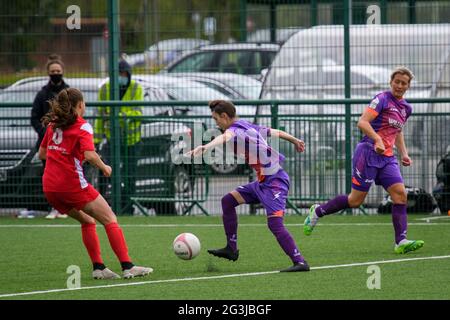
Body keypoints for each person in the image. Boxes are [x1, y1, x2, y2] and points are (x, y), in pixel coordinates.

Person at [303, 66, 425, 254]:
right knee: (355, 201)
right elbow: (362, 122)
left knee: (400, 194)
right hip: (367, 152)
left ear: (408, 86)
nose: (399, 86)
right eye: (397, 82)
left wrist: (404, 153)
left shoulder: (406, 108)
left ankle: (401, 242)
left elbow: (397, 131)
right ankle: (317, 212)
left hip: (387, 158)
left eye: (404, 83)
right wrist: (376, 139)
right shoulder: (382, 99)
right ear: (391, 82)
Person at [39, 88, 152, 279]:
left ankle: (99, 268)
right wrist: (104, 167)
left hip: (50, 187)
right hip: (72, 185)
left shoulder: (53, 125)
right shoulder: (82, 126)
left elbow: (43, 154)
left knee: (88, 220)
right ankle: (128, 266)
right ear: (80, 105)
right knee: (109, 218)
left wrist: (68, 157)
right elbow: (90, 155)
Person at [187, 100, 310, 272]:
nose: (216, 123)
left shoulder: (234, 130)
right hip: (261, 184)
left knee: (275, 224)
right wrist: (294, 140)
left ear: (224, 116)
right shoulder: (245, 125)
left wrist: (205, 147)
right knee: (228, 201)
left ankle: (300, 262)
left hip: (275, 183)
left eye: (216, 119)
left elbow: (226, 137)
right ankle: (231, 249)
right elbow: (273, 132)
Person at [94, 59, 143, 214]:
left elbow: (138, 112)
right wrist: (95, 140)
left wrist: (119, 115)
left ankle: (128, 207)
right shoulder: (104, 89)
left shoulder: (136, 88)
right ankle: (106, 206)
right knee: (106, 172)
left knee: (130, 176)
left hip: (131, 141)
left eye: (124, 74)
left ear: (128, 74)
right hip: (111, 140)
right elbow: (100, 116)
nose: (122, 76)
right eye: (119, 74)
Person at [30, 54, 69, 219]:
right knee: (50, 176)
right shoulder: (42, 94)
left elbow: (73, 116)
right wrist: (46, 133)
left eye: (58, 70)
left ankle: (65, 208)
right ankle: (52, 207)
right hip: (48, 145)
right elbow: (34, 117)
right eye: (53, 71)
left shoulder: (68, 92)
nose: (55, 73)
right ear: (48, 72)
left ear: (62, 71)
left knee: (66, 175)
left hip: (66, 144)